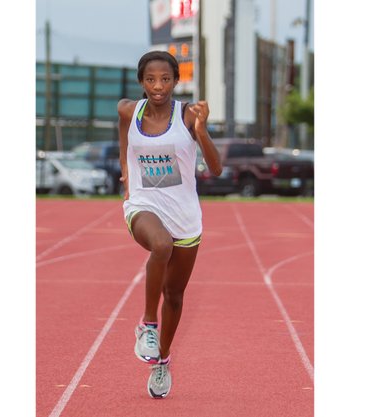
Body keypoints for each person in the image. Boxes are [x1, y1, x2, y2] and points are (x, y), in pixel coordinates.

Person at [117, 50, 222, 399]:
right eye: (150, 79)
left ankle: (162, 359)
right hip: (143, 206)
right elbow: (124, 140)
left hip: (185, 217)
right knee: (160, 244)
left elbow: (216, 169)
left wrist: (202, 131)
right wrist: (127, 173)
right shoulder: (128, 111)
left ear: (177, 81)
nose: (157, 86)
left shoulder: (188, 115)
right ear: (141, 82)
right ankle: (147, 325)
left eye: (165, 79)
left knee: (174, 296)